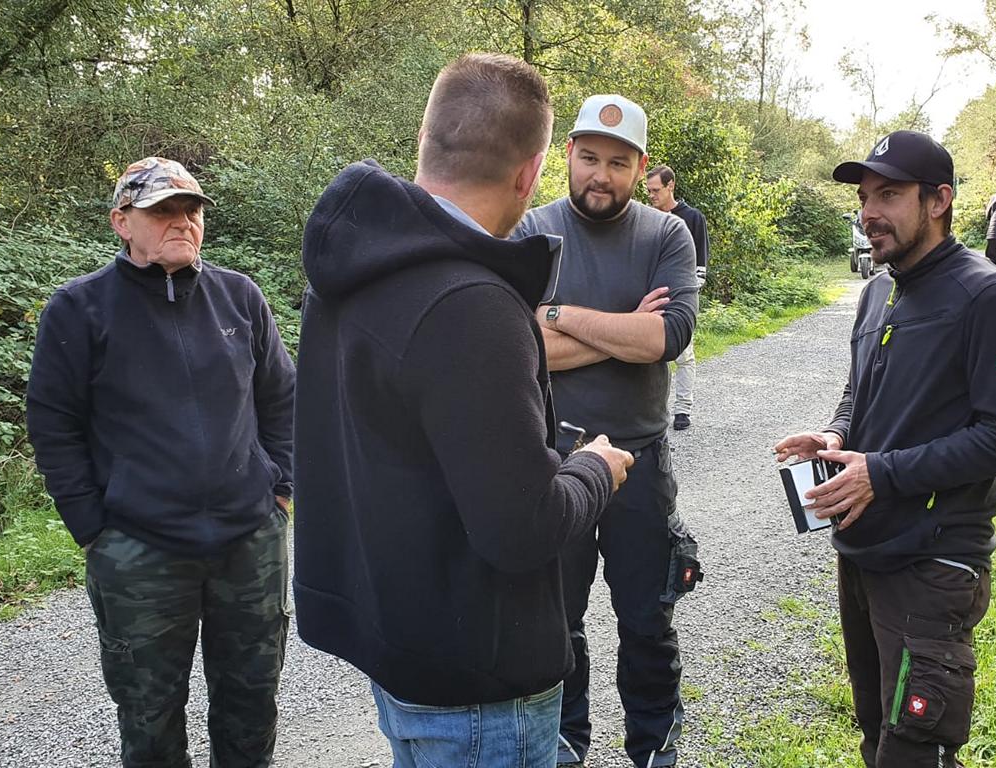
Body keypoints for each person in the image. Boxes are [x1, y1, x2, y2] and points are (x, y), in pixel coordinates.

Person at [291, 53, 635, 768]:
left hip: (402, 646)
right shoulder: (472, 306)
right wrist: (594, 469)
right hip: (477, 684)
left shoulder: (351, 268)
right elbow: (522, 528)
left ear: (426, 140)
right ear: (530, 173)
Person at [773, 131, 996, 767]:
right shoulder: (878, 290)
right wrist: (836, 435)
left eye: (889, 195)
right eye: (865, 197)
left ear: (938, 201)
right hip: (863, 553)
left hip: (932, 564)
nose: (870, 212)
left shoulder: (988, 298)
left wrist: (883, 473)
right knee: (876, 731)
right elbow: (859, 392)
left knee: (916, 748)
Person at [26, 156, 296, 768]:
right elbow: (53, 424)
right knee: (149, 718)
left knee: (252, 704)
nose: (182, 221)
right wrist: (92, 525)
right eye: (162, 210)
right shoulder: (80, 309)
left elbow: (282, 397)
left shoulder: (239, 297)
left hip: (248, 540)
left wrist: (279, 489)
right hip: (139, 549)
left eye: (191, 209)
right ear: (122, 222)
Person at [515, 94, 701, 768]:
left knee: (647, 619)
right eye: (589, 157)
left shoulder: (666, 235)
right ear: (567, 154)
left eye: (618, 163)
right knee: (555, 622)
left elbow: (668, 337)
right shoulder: (530, 231)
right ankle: (566, 743)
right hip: (552, 461)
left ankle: (654, 747)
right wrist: (622, 329)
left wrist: (557, 314)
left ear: (640, 167)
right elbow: (517, 346)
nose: (601, 174)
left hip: (641, 459)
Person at [645, 165, 709, 431]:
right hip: (650, 296)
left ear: (670, 185)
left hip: (682, 295)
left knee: (683, 354)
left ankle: (682, 409)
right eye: (648, 191)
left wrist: (689, 294)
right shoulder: (646, 218)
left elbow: (700, 264)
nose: (651, 195)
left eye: (656, 190)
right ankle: (654, 411)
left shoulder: (692, 218)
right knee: (650, 355)